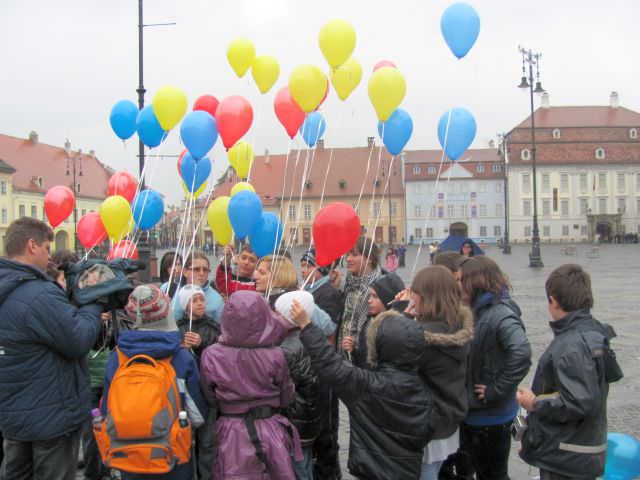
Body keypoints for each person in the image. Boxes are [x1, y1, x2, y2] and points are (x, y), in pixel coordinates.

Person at [0, 218, 104, 480]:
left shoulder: (9, 286)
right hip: (50, 415)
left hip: (13, 412)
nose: (49, 257)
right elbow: (79, 340)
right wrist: (92, 302)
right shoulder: (38, 294)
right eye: (47, 248)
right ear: (32, 245)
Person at [290, 299, 433, 479]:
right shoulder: (423, 390)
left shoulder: (368, 386)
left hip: (372, 473)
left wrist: (306, 325)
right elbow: (428, 430)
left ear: (381, 348)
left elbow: (330, 365)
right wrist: (402, 317)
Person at [517, 264, 623, 480]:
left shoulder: (570, 345)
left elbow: (578, 402)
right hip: (580, 450)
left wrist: (534, 403)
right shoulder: (592, 331)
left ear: (553, 301)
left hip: (567, 455)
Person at [101, 284, 205, 480]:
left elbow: (106, 409)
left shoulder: (117, 357)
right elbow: (197, 414)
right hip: (172, 454)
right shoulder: (181, 357)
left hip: (127, 454)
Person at [200, 291, 303, 479]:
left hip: (231, 430)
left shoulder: (211, 355)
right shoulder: (275, 355)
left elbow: (209, 395)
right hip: (269, 428)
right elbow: (286, 395)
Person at [458, 256, 532, 480]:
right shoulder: (482, 309)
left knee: (492, 475)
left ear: (476, 282)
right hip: (478, 413)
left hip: (490, 416)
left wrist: (496, 389)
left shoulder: (499, 313)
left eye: (462, 280)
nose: (459, 285)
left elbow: (521, 353)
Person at [409, 266, 474, 480]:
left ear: (427, 297)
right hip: (446, 421)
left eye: (415, 293)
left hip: (428, 425)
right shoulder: (455, 325)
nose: (412, 297)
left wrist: (401, 320)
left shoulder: (424, 337)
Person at [299, 249, 343, 480]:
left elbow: (330, 329)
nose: (303, 270)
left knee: (327, 426)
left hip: (325, 365)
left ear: (320, 269)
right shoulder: (311, 289)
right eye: (303, 265)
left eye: (308, 266)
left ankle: (330, 472)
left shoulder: (327, 292)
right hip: (314, 363)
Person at [275, 293, 322, 480]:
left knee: (297, 467)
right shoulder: (310, 336)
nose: (274, 316)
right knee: (304, 464)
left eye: (278, 313)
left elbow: (283, 388)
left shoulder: (287, 348)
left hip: (295, 423)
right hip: (308, 420)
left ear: (289, 316)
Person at [176, 284, 220, 480]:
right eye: (194, 300)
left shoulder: (213, 327)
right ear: (186, 305)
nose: (199, 303)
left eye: (201, 299)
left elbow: (219, 356)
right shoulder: (178, 328)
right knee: (185, 440)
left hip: (208, 392)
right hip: (187, 391)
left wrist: (202, 344)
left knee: (208, 442)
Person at [253, 255, 336, 338]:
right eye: (257, 271)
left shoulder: (294, 300)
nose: (255, 276)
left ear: (279, 276)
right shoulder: (266, 298)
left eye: (262, 273)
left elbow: (328, 327)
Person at [342, 272, 405, 368]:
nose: (369, 300)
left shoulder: (392, 329)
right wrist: (353, 349)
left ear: (388, 299)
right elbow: (365, 358)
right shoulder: (370, 320)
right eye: (370, 295)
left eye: (375, 296)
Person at [339, 237, 384, 360]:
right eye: (347, 254)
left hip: (366, 357)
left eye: (354, 255)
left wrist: (357, 344)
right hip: (344, 352)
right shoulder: (348, 282)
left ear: (369, 258)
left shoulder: (381, 287)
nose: (348, 259)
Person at [173, 251, 223, 324]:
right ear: (185, 272)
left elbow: (221, 330)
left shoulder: (217, 299)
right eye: (196, 269)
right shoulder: (172, 290)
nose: (201, 273)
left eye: (205, 270)